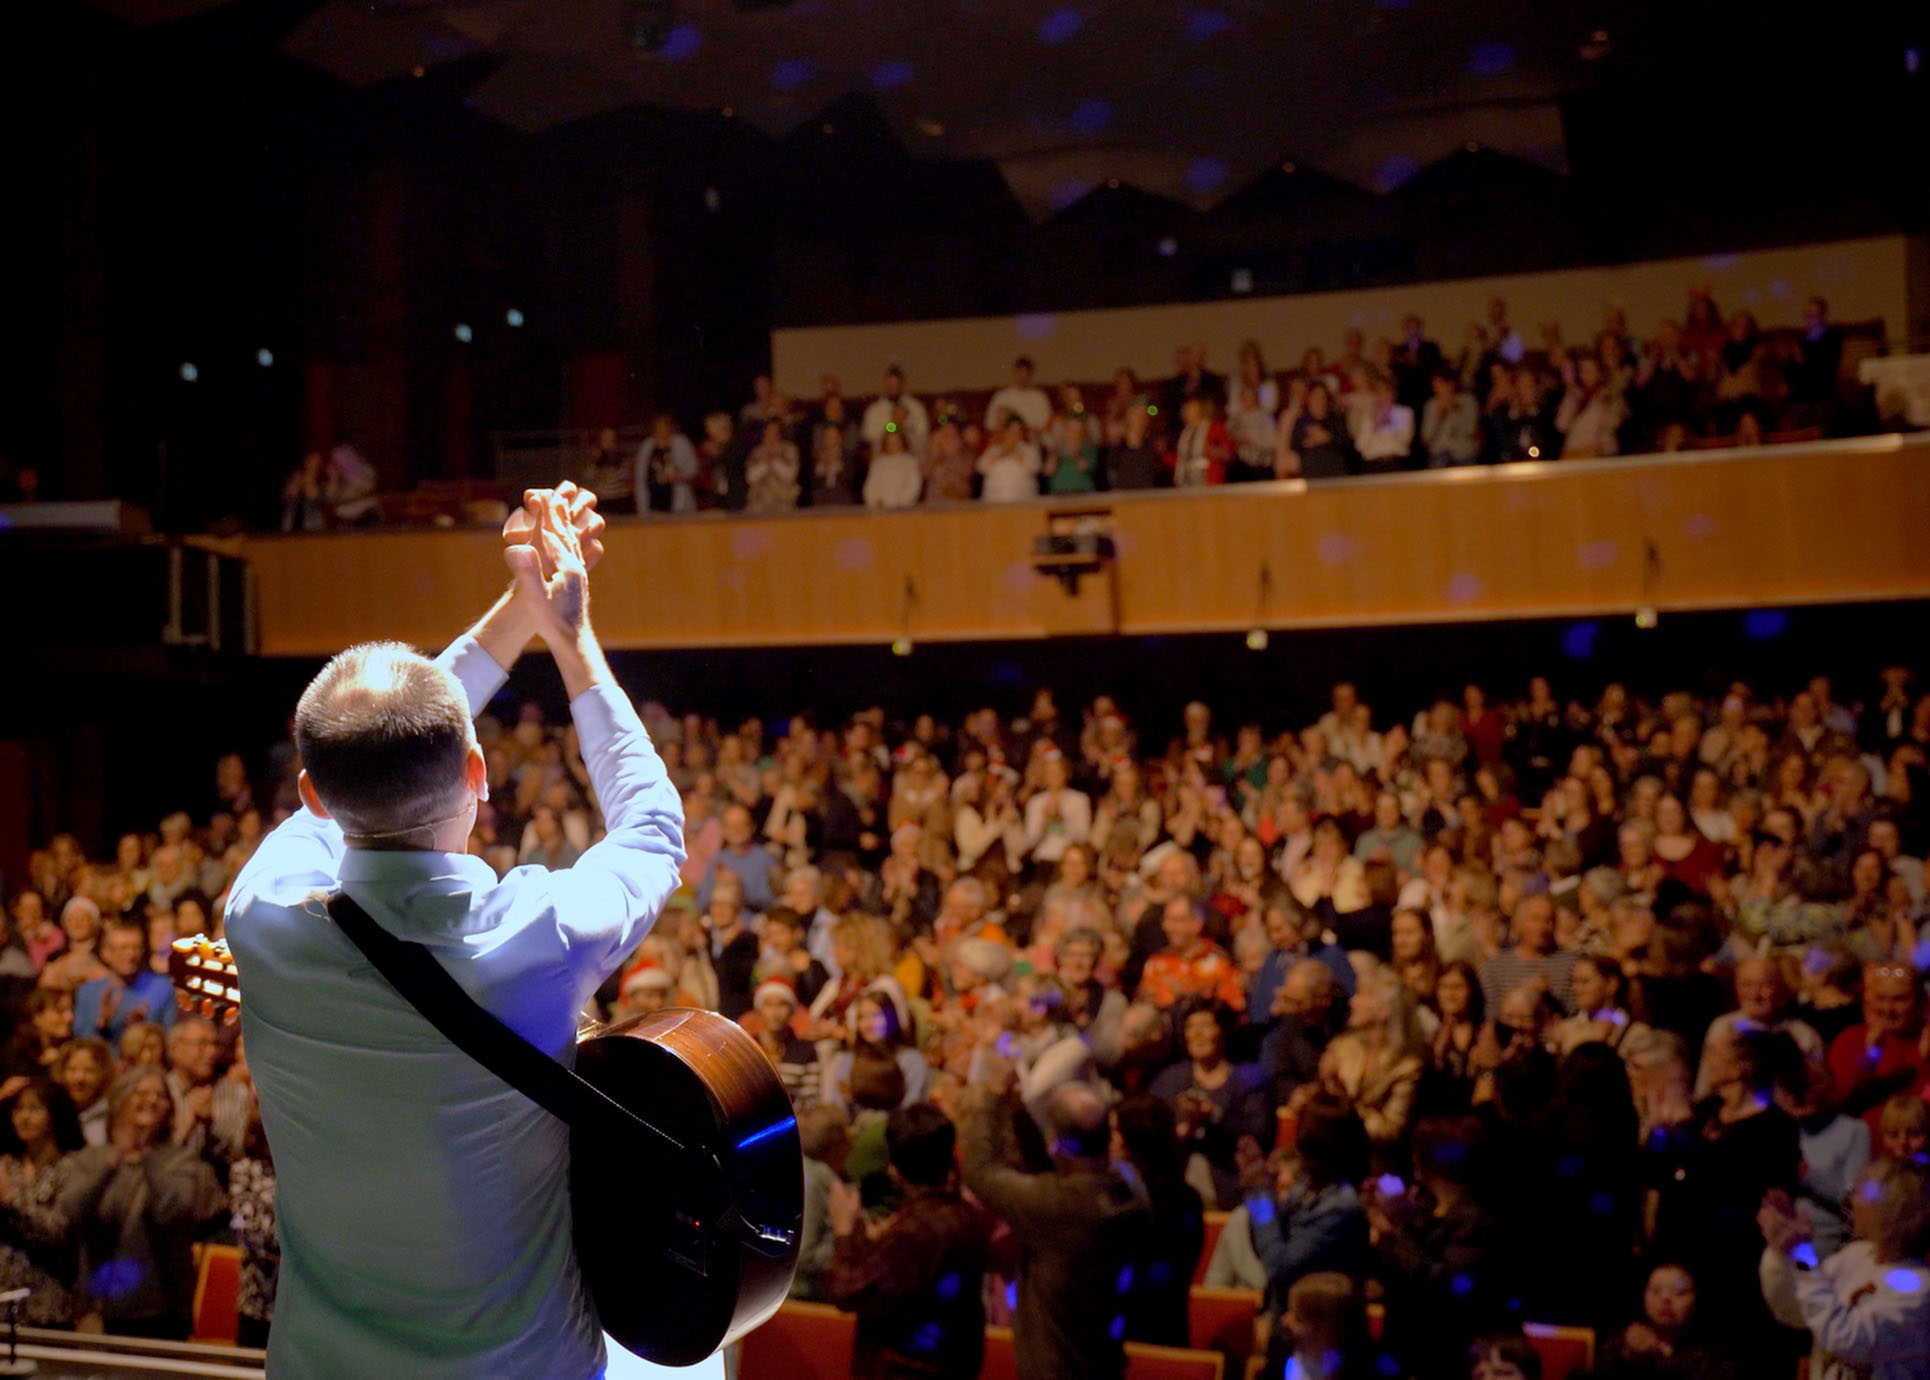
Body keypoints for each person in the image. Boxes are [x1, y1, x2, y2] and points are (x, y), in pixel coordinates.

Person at [224, 485, 709, 1380]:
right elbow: (650, 830)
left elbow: (386, 731)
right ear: (479, 774)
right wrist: (567, 631)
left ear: (313, 800)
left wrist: (520, 609)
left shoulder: (262, 915)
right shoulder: (541, 934)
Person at [957, 1075, 1152, 1380]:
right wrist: (1020, 1115)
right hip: (1105, 1363)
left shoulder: (1058, 1207)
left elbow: (980, 1170)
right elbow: (1056, 1172)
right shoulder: (1130, 1185)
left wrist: (995, 1096)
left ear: (1056, 1143)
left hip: (1056, 1369)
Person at [825, 1102, 994, 1380]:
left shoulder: (915, 1232)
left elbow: (847, 1291)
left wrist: (843, 1228)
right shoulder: (967, 1217)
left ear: (895, 1168)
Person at [1759, 1157, 1930, 1379]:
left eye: (1862, 1192)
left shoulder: (1918, 1288)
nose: (1851, 1200)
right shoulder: (1856, 1255)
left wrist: (1802, 1255)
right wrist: (1783, 1251)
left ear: (1894, 1210)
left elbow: (1847, 1338)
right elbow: (1800, 1309)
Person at [72, 918, 175, 1045]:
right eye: (122, 948)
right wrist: (102, 1024)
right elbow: (82, 1045)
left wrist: (145, 1029)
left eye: (135, 948)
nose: (130, 955)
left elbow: (171, 1040)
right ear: (106, 953)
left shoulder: (162, 987)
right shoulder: (88, 993)